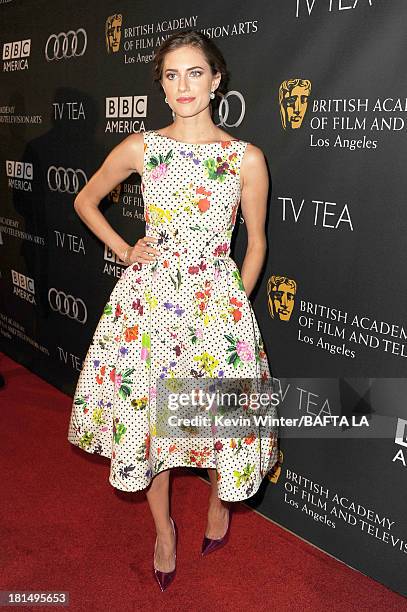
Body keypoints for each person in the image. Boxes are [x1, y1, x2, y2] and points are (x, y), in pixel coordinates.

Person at [67, 29, 278, 592]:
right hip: (149, 310)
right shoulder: (142, 149)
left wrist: (233, 303)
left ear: (216, 80)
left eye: (194, 73)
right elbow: (85, 200)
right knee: (150, 433)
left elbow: (254, 244)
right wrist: (123, 248)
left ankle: (218, 504)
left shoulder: (245, 158)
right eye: (170, 75)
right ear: (161, 87)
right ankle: (164, 531)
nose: (183, 86)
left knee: (213, 428)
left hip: (215, 315)